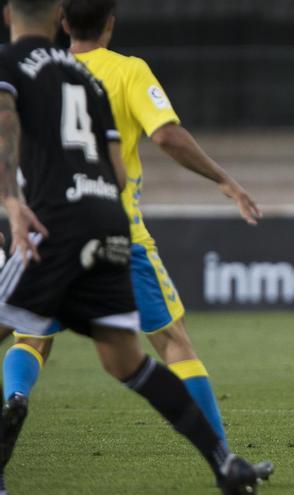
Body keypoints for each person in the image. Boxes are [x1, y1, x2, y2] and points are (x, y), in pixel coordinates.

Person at [0, 0, 273, 482]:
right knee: (149, 350)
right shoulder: (105, 76)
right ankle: (223, 459)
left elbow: (6, 130)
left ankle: (15, 399)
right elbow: (131, 161)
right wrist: (224, 181)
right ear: (109, 23)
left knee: (28, 334)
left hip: (47, 226)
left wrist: (12, 198)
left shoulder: (18, 65)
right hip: (112, 225)